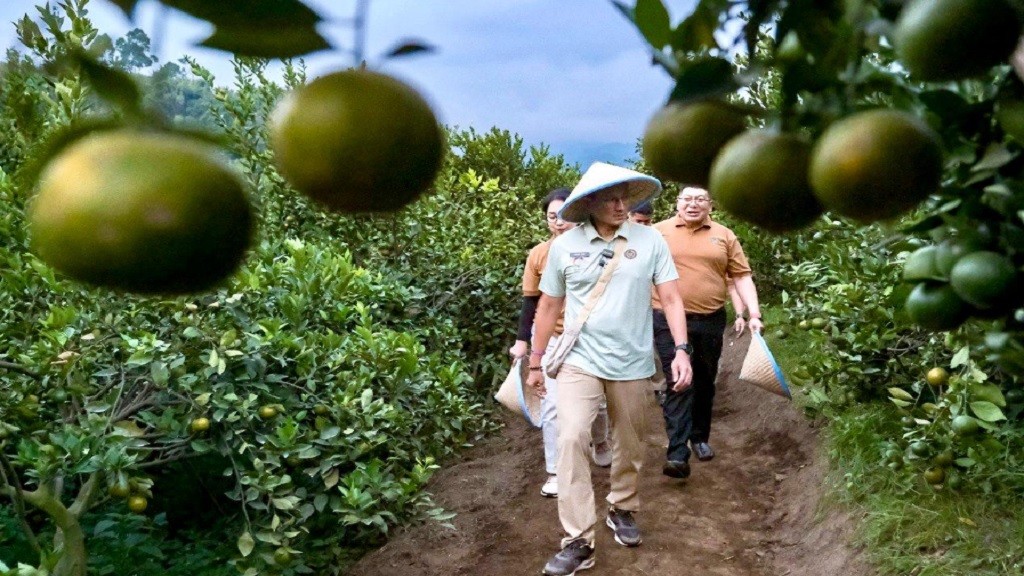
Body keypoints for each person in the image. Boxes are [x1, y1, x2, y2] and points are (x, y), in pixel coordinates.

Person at [527, 163, 693, 576]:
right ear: (590, 205)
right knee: (571, 437)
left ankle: (622, 507)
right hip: (579, 360)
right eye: (612, 199)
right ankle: (578, 541)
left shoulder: (649, 239)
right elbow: (547, 305)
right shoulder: (565, 247)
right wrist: (534, 360)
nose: (622, 205)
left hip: (632, 360)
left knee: (630, 441)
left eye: (625, 198)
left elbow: (671, 298)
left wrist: (681, 349)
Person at [652, 186, 763, 479]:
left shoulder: (724, 235)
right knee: (679, 378)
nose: (692, 204)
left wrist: (754, 314)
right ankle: (677, 453)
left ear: (709, 205)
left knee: (704, 378)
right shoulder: (657, 232)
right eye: (686, 199)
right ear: (677, 204)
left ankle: (699, 437)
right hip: (666, 318)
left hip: (710, 319)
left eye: (699, 199)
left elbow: (741, 275)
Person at [509, 188, 612, 499]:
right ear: (546, 220)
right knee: (553, 405)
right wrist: (522, 342)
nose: (559, 221)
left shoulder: (600, 247)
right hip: (554, 339)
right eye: (553, 216)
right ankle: (555, 471)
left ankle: (601, 440)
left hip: (594, 337)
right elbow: (531, 301)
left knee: (600, 402)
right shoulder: (539, 254)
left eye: (565, 215)